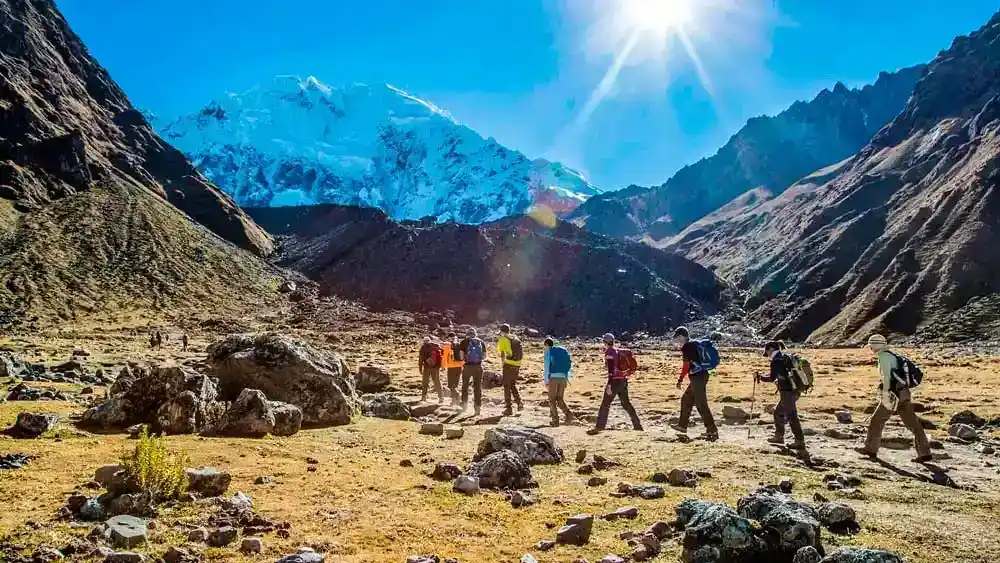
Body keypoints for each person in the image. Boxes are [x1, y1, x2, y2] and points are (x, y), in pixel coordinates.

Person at [856, 334, 932, 463]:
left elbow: (887, 378)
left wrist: (885, 394)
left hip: (893, 394)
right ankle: (925, 453)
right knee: (913, 423)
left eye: (871, 346)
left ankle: (870, 450)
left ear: (876, 345)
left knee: (877, 420)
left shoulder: (883, 356)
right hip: (904, 393)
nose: (870, 349)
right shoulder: (891, 355)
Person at [670, 326, 719, 441]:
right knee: (686, 399)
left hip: (698, 377)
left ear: (682, 336)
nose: (677, 342)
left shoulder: (687, 347)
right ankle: (682, 426)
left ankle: (712, 430)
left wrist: (680, 379)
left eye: (678, 338)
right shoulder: (693, 345)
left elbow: (686, 366)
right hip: (700, 376)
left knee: (701, 404)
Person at [758, 341, 806, 450]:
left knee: (792, 416)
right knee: (778, 412)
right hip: (795, 390)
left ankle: (799, 441)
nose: (768, 355)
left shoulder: (777, 360)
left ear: (770, 349)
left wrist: (760, 377)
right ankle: (779, 436)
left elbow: (772, 378)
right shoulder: (786, 357)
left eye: (767, 352)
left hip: (787, 392)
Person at [592, 333, 643, 433]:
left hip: (614, 381)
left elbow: (611, 370)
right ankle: (637, 425)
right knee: (626, 403)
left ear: (605, 342)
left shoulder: (609, 352)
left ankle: (600, 426)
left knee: (605, 403)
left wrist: (609, 385)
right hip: (623, 380)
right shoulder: (617, 350)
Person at [543, 338, 575, 427]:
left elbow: (546, 368)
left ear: (546, 345)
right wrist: (567, 378)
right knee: (560, 399)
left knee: (552, 399)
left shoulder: (548, 352)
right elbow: (569, 364)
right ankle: (569, 415)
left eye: (544, 347)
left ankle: (555, 421)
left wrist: (546, 381)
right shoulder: (563, 350)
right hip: (563, 377)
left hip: (554, 378)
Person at [496, 324, 524, 415]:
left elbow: (502, 353)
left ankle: (509, 408)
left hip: (509, 364)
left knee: (506, 386)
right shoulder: (515, 338)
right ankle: (519, 403)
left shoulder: (503, 339)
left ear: (502, 331)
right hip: (517, 364)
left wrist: (503, 363)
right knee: (512, 384)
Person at [458, 328, 487, 415]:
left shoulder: (464, 342)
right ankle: (477, 408)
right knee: (477, 388)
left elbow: (461, 357)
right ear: (475, 334)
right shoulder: (481, 342)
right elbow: (484, 356)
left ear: (467, 334)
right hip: (478, 367)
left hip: (467, 367)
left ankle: (464, 406)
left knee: (465, 387)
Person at [417, 337, 444, 403]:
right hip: (436, 367)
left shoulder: (423, 348)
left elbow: (420, 360)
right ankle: (441, 397)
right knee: (437, 382)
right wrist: (442, 366)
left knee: (425, 382)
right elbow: (442, 354)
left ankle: (424, 397)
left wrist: (420, 369)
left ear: (424, 341)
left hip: (427, 368)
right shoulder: (436, 346)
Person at [441, 333, 464, 405]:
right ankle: (454, 401)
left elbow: (444, 357)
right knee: (456, 385)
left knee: (451, 385)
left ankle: (457, 397)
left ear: (449, 338)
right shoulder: (460, 345)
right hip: (459, 367)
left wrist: (443, 367)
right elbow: (463, 355)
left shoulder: (447, 346)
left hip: (451, 367)